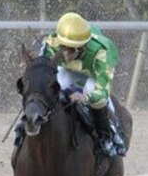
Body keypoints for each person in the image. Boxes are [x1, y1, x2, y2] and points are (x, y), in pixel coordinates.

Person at [39, 11, 126, 157]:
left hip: (91, 76)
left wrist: (84, 98)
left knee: (101, 103)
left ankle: (108, 136)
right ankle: (25, 129)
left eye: (71, 49)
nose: (65, 53)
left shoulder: (102, 52)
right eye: (63, 47)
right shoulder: (51, 43)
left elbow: (102, 93)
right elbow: (41, 73)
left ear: (83, 47)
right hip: (65, 71)